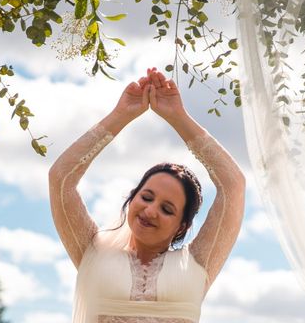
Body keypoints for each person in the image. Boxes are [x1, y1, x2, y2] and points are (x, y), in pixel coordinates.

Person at [49, 68, 245, 322]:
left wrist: (178, 117)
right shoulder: (91, 250)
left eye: (167, 209)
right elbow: (60, 179)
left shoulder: (198, 263)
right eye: (147, 197)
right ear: (132, 199)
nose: (151, 210)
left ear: (182, 225)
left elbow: (233, 185)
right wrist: (121, 116)